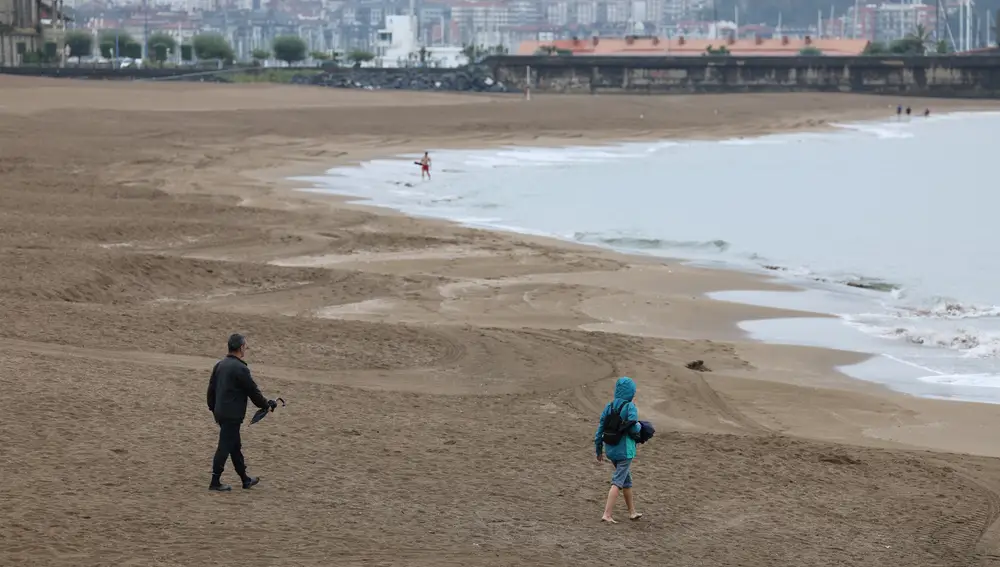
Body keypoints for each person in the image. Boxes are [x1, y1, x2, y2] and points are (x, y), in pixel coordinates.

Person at [207, 333, 276, 492]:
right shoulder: (241, 368)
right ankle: (215, 481)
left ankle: (245, 479)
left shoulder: (220, 365)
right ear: (240, 348)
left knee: (235, 446)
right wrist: (266, 405)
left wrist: (213, 409)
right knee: (224, 446)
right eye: (245, 346)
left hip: (221, 413)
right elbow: (253, 392)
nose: (246, 349)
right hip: (232, 415)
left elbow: (210, 390)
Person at [594, 376, 643, 524]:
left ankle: (632, 512)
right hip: (625, 451)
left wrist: (598, 449)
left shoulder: (609, 406)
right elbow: (635, 428)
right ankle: (607, 514)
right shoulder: (630, 407)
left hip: (611, 450)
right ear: (631, 393)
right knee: (618, 482)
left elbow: (600, 429)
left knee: (626, 480)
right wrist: (641, 428)